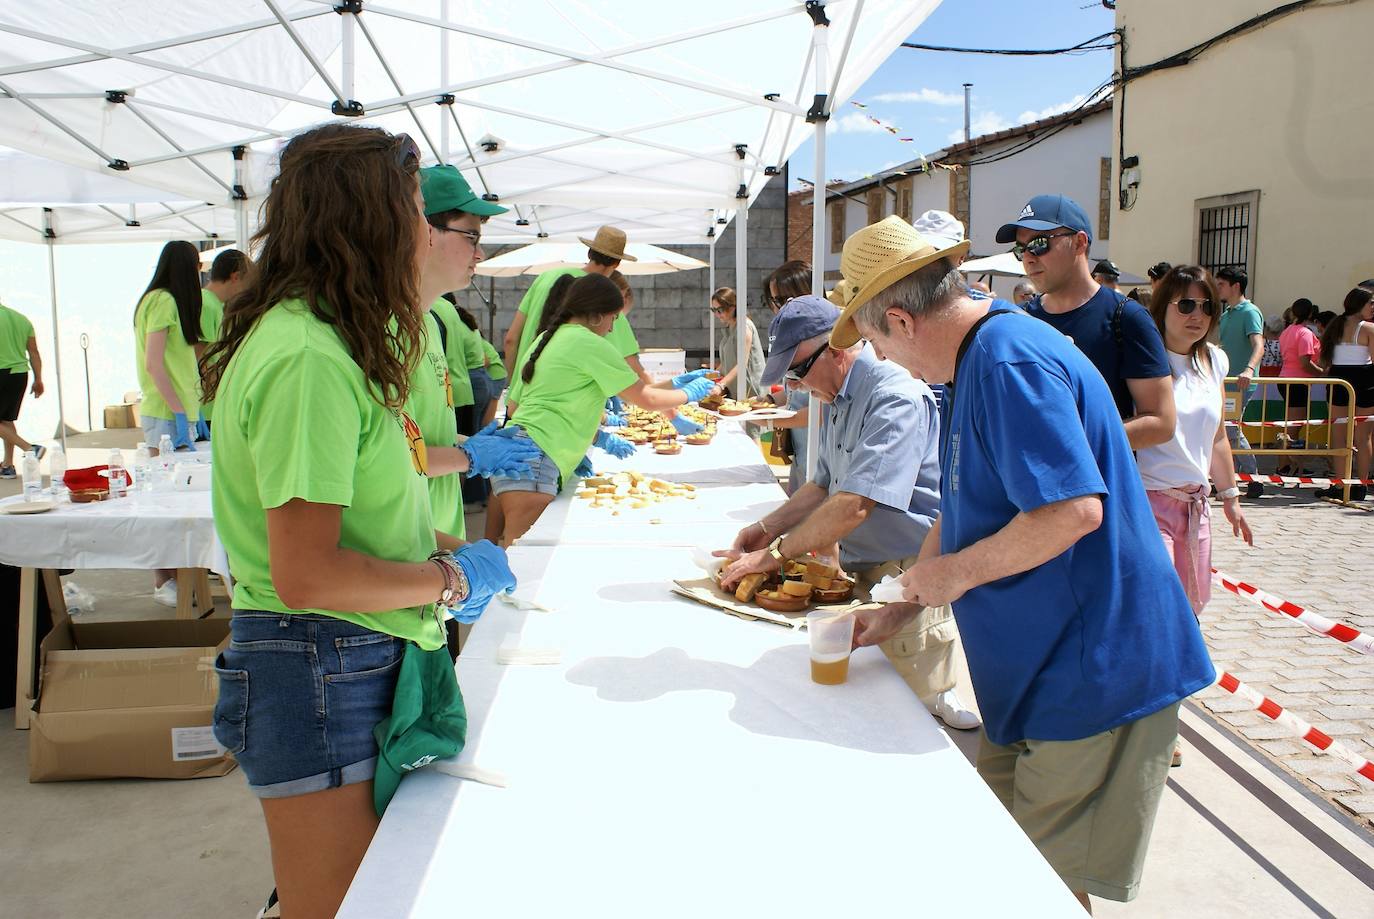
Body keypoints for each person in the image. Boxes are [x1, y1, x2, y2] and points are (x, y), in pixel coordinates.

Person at [835, 229, 1214, 912]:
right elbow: (961, 504)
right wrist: (902, 604)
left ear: (900, 319)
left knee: (1040, 892)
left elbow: (1072, 512)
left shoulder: (1008, 360)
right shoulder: (971, 362)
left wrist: (952, 576)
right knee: (1003, 870)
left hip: (1094, 672)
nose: (886, 360)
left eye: (879, 346)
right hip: (1039, 676)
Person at [202, 125, 516, 919]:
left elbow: (375, 512)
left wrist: (454, 551)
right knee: (342, 905)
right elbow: (308, 569)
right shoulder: (308, 356)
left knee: (376, 889)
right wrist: (448, 579)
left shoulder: (339, 341)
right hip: (318, 660)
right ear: (370, 218)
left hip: (347, 652)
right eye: (416, 208)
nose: (425, 228)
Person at [719, 248, 980, 730]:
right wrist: (763, 528)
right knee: (858, 704)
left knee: (908, 710)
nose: (796, 387)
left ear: (836, 350)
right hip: (863, 567)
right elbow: (821, 485)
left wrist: (773, 554)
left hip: (906, 572)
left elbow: (855, 504)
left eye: (798, 372)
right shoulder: (835, 391)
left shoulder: (893, 396)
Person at [486, 273, 716, 544]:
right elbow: (645, 399)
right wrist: (687, 394)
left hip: (515, 453)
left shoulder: (547, 338)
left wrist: (583, 440)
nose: (611, 328)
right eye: (613, 319)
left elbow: (517, 405)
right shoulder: (589, 343)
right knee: (524, 560)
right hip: (535, 461)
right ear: (596, 316)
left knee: (506, 552)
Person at [1003, 194, 1176, 448]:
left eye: (1039, 243)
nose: (1028, 257)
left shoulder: (1127, 317)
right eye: (1021, 248)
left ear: (1079, 242)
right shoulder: (1018, 320)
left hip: (1102, 484)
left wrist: (1068, 442)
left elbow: (1161, 423)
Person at [1137, 267, 1254, 627]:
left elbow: (1217, 435)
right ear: (1163, 307)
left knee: (1194, 601)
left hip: (1195, 505)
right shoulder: (1142, 359)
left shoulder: (1214, 360)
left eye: (1206, 307)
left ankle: (1176, 675)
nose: (1197, 316)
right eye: (1186, 304)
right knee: (1158, 600)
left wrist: (1231, 496)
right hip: (1148, 500)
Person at [134, 240, 205, 608]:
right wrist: (178, 411)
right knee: (164, 503)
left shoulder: (165, 301)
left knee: (181, 501)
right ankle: (164, 580)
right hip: (164, 413)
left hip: (179, 413)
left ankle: (180, 577)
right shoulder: (161, 300)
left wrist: (193, 414)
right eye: (196, 266)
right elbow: (154, 363)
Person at [502, 225, 642, 386]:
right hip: (561, 399)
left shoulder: (545, 277)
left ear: (589, 253)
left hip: (520, 395)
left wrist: (515, 386)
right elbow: (631, 363)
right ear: (617, 263)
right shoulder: (603, 296)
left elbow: (511, 340)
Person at [761, 260, 816, 493]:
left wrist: (770, 421)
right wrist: (772, 401)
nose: (779, 308)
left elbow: (821, 414)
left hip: (820, 451)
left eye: (782, 300)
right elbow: (794, 388)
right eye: (774, 301)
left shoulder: (823, 340)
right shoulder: (791, 335)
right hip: (801, 449)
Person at [1317, 285, 1374, 500]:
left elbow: (1326, 360)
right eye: (1371, 303)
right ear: (1359, 304)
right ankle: (1361, 484)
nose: (1373, 307)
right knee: (1363, 436)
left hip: (1339, 381)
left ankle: (1341, 484)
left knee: (1339, 435)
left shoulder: (1335, 326)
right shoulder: (1368, 329)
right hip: (1364, 381)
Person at [1215, 266, 1265, 497]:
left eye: (1221, 284)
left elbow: (1258, 344)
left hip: (1241, 382)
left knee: (1231, 429)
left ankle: (1252, 476)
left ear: (1235, 286)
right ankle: (1230, 477)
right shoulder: (1227, 314)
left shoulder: (1250, 312)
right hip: (1225, 382)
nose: (1218, 289)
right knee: (1226, 429)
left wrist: (1249, 369)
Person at [197, 248, 250, 432]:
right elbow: (199, 353)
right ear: (235, 277)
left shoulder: (216, 304)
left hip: (214, 403)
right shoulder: (205, 303)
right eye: (247, 281)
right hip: (208, 406)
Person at [1277, 298, 1322, 474]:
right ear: (1310, 314)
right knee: (1293, 428)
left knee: (1290, 426)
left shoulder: (1287, 331)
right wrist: (1322, 372)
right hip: (1297, 382)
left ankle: (1288, 465)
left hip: (1285, 379)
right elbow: (1305, 362)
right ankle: (1285, 466)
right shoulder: (1305, 333)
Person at [0, 299, 44, 478]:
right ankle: (8, 466)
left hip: (1, 371)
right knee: (6, 420)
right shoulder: (21, 319)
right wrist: (38, 379)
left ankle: (29, 448)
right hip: (20, 375)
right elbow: (34, 352)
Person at [709, 286, 764, 399]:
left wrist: (720, 385)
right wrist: (706, 377)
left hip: (753, 392)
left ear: (732, 307)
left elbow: (742, 364)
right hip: (738, 393)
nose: (716, 314)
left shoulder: (744, 327)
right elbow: (725, 365)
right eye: (713, 310)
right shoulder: (730, 328)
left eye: (719, 310)